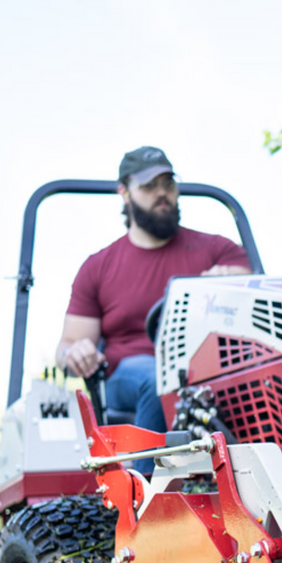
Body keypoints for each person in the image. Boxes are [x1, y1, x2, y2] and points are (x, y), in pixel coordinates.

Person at [56, 146, 251, 433]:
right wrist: (75, 353)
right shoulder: (98, 267)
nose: (161, 193)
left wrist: (229, 286)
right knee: (158, 377)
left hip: (212, 368)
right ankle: (153, 477)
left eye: (168, 184)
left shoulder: (219, 251)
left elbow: (257, 301)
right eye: (149, 186)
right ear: (125, 192)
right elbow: (66, 347)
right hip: (132, 374)